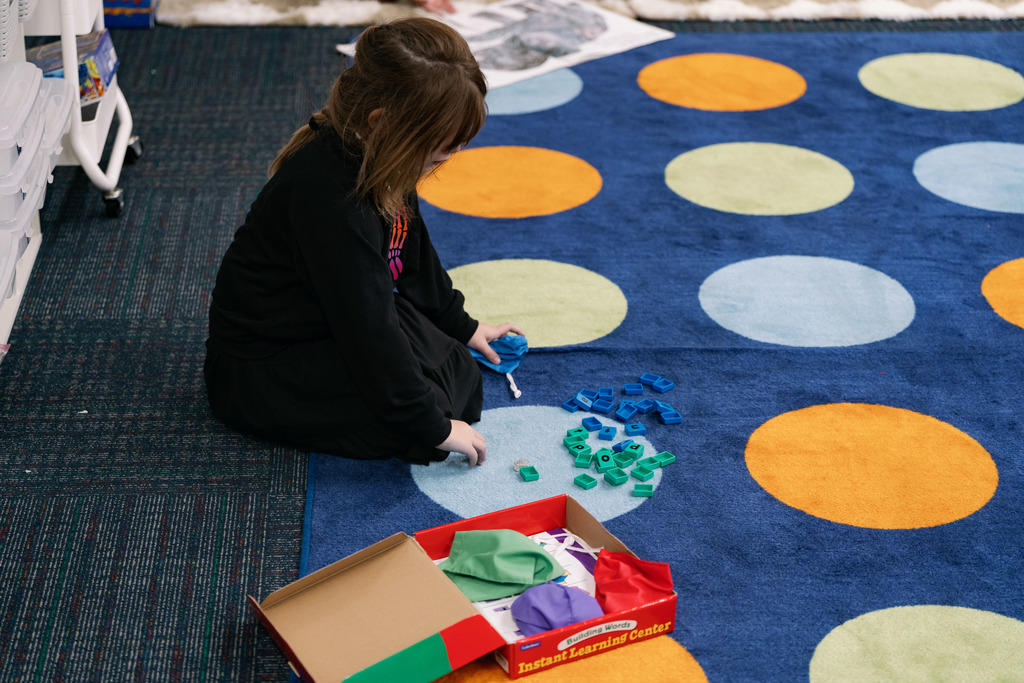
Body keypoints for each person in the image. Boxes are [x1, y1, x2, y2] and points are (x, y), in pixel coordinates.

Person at [204, 18, 522, 467]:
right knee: (423, 423)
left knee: (458, 371)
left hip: (326, 321)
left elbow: (410, 253)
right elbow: (368, 329)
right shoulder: (333, 202)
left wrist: (463, 326)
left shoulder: (381, 153)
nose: (448, 159)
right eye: (439, 151)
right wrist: (433, 426)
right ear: (382, 123)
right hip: (259, 370)